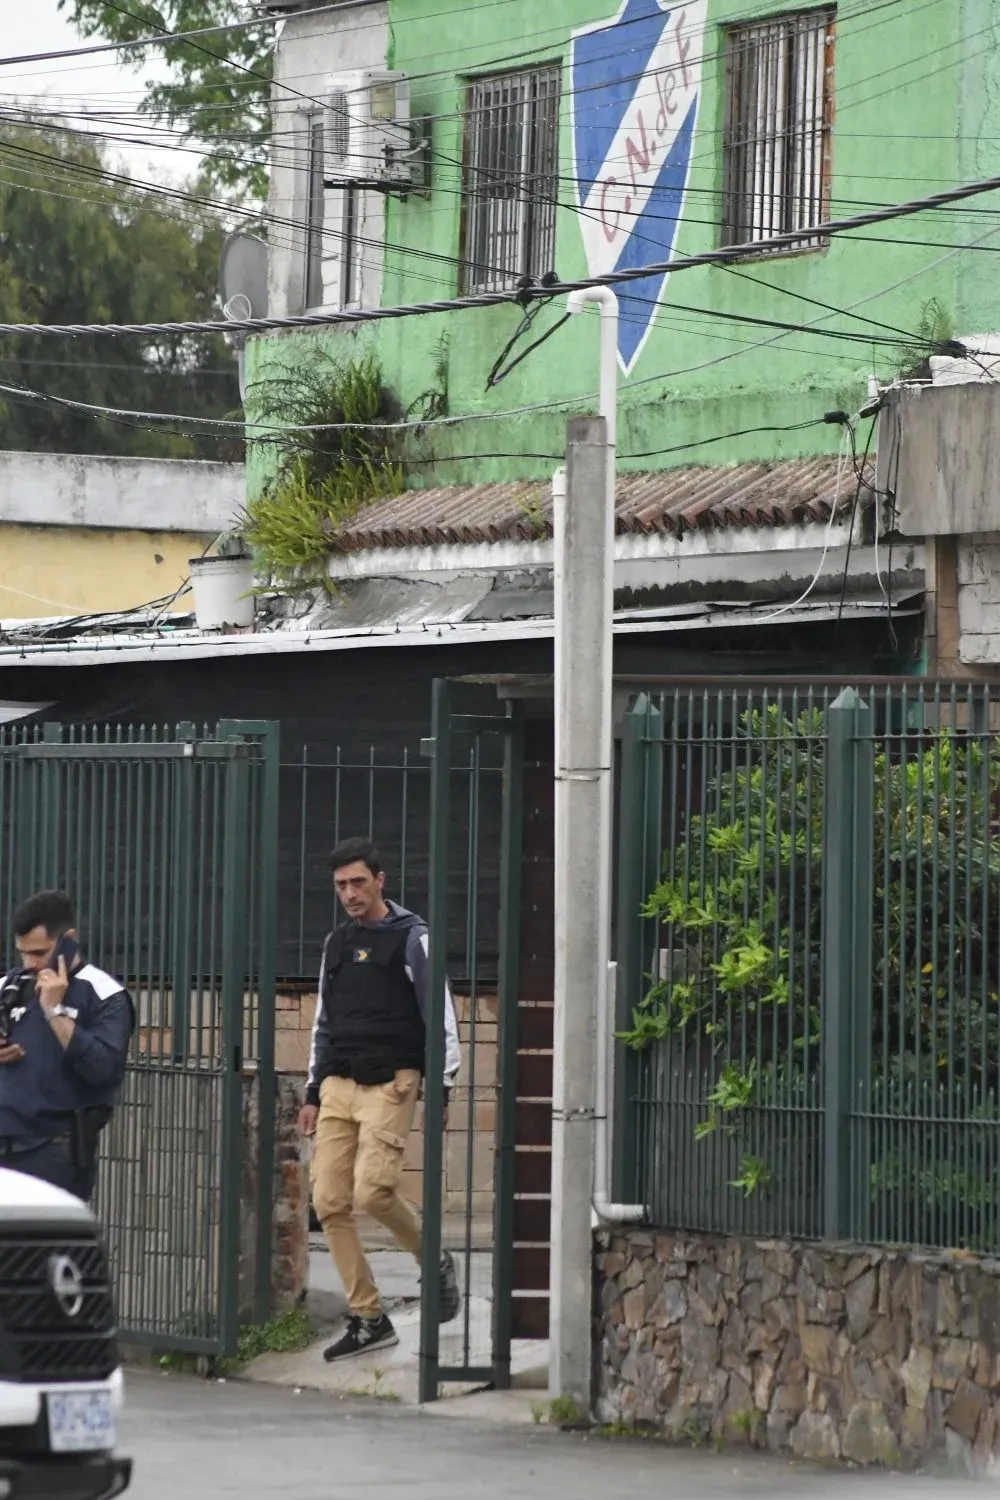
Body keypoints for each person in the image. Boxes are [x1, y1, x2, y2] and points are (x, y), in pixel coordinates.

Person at [299, 837, 462, 1361]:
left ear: (380, 880)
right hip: (338, 1087)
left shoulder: (412, 938)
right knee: (327, 1202)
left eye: (358, 883)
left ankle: (433, 1260)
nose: (349, 893)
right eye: (341, 885)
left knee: (373, 1192)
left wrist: (442, 1083)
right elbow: (323, 1021)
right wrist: (311, 1091)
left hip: (393, 1082)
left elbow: (440, 1013)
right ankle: (368, 1316)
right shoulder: (336, 944)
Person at [0, 890, 133, 1202]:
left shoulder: (103, 994)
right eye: (22, 953)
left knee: (44, 1249)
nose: (29, 963)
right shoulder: (9, 985)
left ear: (69, 939)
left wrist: (54, 1012)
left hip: (50, 1152)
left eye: (39, 952)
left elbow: (104, 1070)